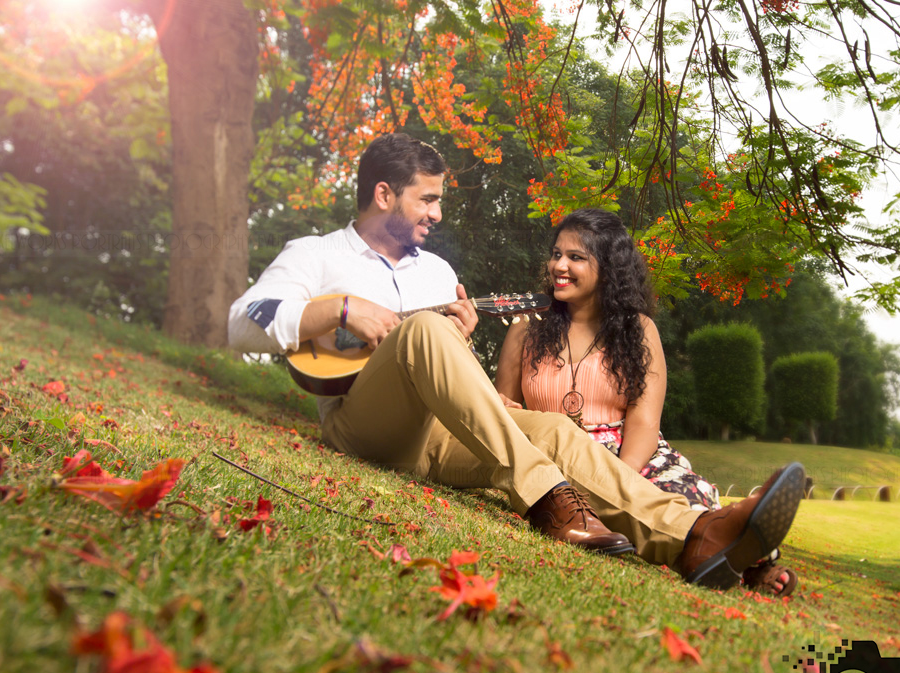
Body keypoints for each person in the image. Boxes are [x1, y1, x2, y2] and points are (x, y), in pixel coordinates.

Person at [227, 132, 805, 591]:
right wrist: (342, 311)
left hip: (441, 436)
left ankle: (695, 535)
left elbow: (449, 374)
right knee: (427, 329)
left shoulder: (435, 273)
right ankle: (546, 497)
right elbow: (240, 321)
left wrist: (464, 346)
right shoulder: (316, 254)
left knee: (552, 428)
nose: (436, 213)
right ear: (385, 195)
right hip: (362, 424)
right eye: (427, 199)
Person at [493, 208, 798, 596]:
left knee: (689, 496)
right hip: (555, 453)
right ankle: (727, 557)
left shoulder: (639, 330)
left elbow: (643, 421)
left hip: (630, 454)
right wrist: (507, 408)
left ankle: (750, 561)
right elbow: (504, 404)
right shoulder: (525, 327)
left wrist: (620, 478)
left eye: (575, 257)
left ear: (608, 268)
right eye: (556, 254)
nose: (559, 266)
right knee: (625, 510)